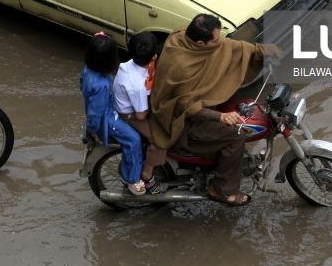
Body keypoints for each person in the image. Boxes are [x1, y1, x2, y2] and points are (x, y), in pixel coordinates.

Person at [149, 14, 281, 206]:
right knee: (235, 138)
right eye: (215, 40)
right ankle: (221, 190)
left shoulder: (183, 35)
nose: (220, 43)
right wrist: (221, 117)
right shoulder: (181, 66)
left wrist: (261, 50)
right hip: (181, 121)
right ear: (200, 43)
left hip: (196, 105)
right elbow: (186, 106)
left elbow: (229, 46)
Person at [81, 32, 146, 195]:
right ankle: (131, 179)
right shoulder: (101, 85)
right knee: (133, 139)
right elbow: (96, 113)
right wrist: (91, 130)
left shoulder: (87, 69)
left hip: (107, 109)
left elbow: (83, 87)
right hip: (108, 119)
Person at [112, 31, 166, 194]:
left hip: (132, 106)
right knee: (161, 139)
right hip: (132, 115)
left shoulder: (127, 65)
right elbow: (141, 115)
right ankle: (147, 174)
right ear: (154, 56)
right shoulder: (137, 85)